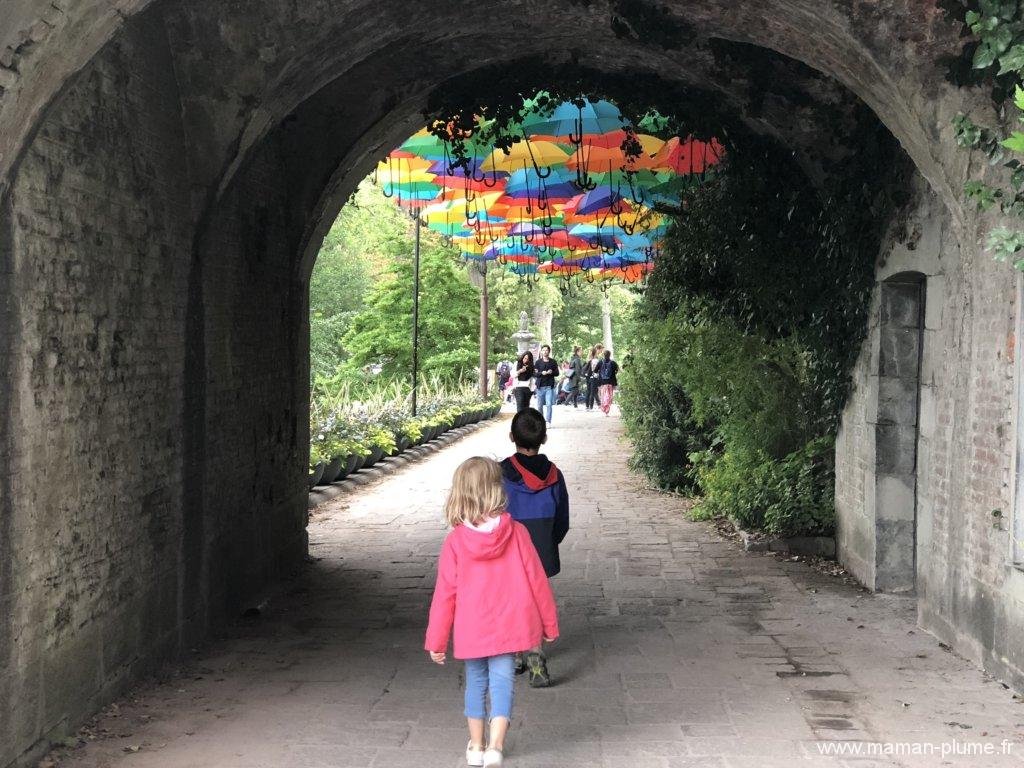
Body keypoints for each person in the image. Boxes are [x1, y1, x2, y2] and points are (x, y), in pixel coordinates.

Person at [425, 457, 559, 768]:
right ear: (497, 490)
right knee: (503, 683)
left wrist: (437, 639)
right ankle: (497, 747)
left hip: (473, 628)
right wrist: (549, 624)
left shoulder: (456, 541)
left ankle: (476, 745)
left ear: (460, 493)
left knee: (475, 683)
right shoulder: (519, 533)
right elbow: (538, 582)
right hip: (510, 625)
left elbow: (445, 594)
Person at [500, 408, 570, 688]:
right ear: (544, 439)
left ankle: (520, 655)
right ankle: (533, 653)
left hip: (508, 550)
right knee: (534, 600)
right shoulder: (554, 475)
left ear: (510, 437)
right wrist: (549, 542)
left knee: (511, 601)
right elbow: (563, 519)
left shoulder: (501, 473)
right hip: (541, 548)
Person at [533, 344, 559, 424]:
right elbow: (534, 374)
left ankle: (548, 421)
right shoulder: (538, 362)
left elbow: (557, 373)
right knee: (539, 406)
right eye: (543, 350)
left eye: (546, 350)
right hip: (540, 387)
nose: (545, 352)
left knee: (549, 404)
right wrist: (541, 373)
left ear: (549, 351)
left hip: (549, 387)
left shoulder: (553, 362)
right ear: (541, 351)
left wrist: (552, 372)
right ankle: (541, 421)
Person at [598, 349, 620, 416]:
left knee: (603, 395)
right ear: (610, 355)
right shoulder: (613, 363)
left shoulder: (600, 362)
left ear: (603, 355)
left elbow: (595, 370)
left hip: (602, 382)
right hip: (611, 382)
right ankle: (607, 410)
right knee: (609, 396)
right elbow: (617, 370)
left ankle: (604, 407)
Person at [584, 344, 604, 411]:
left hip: (588, 376)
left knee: (590, 391)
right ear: (597, 350)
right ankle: (591, 406)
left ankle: (588, 406)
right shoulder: (595, 360)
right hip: (593, 376)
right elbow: (597, 369)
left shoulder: (590, 358)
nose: (601, 352)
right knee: (593, 391)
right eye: (601, 350)